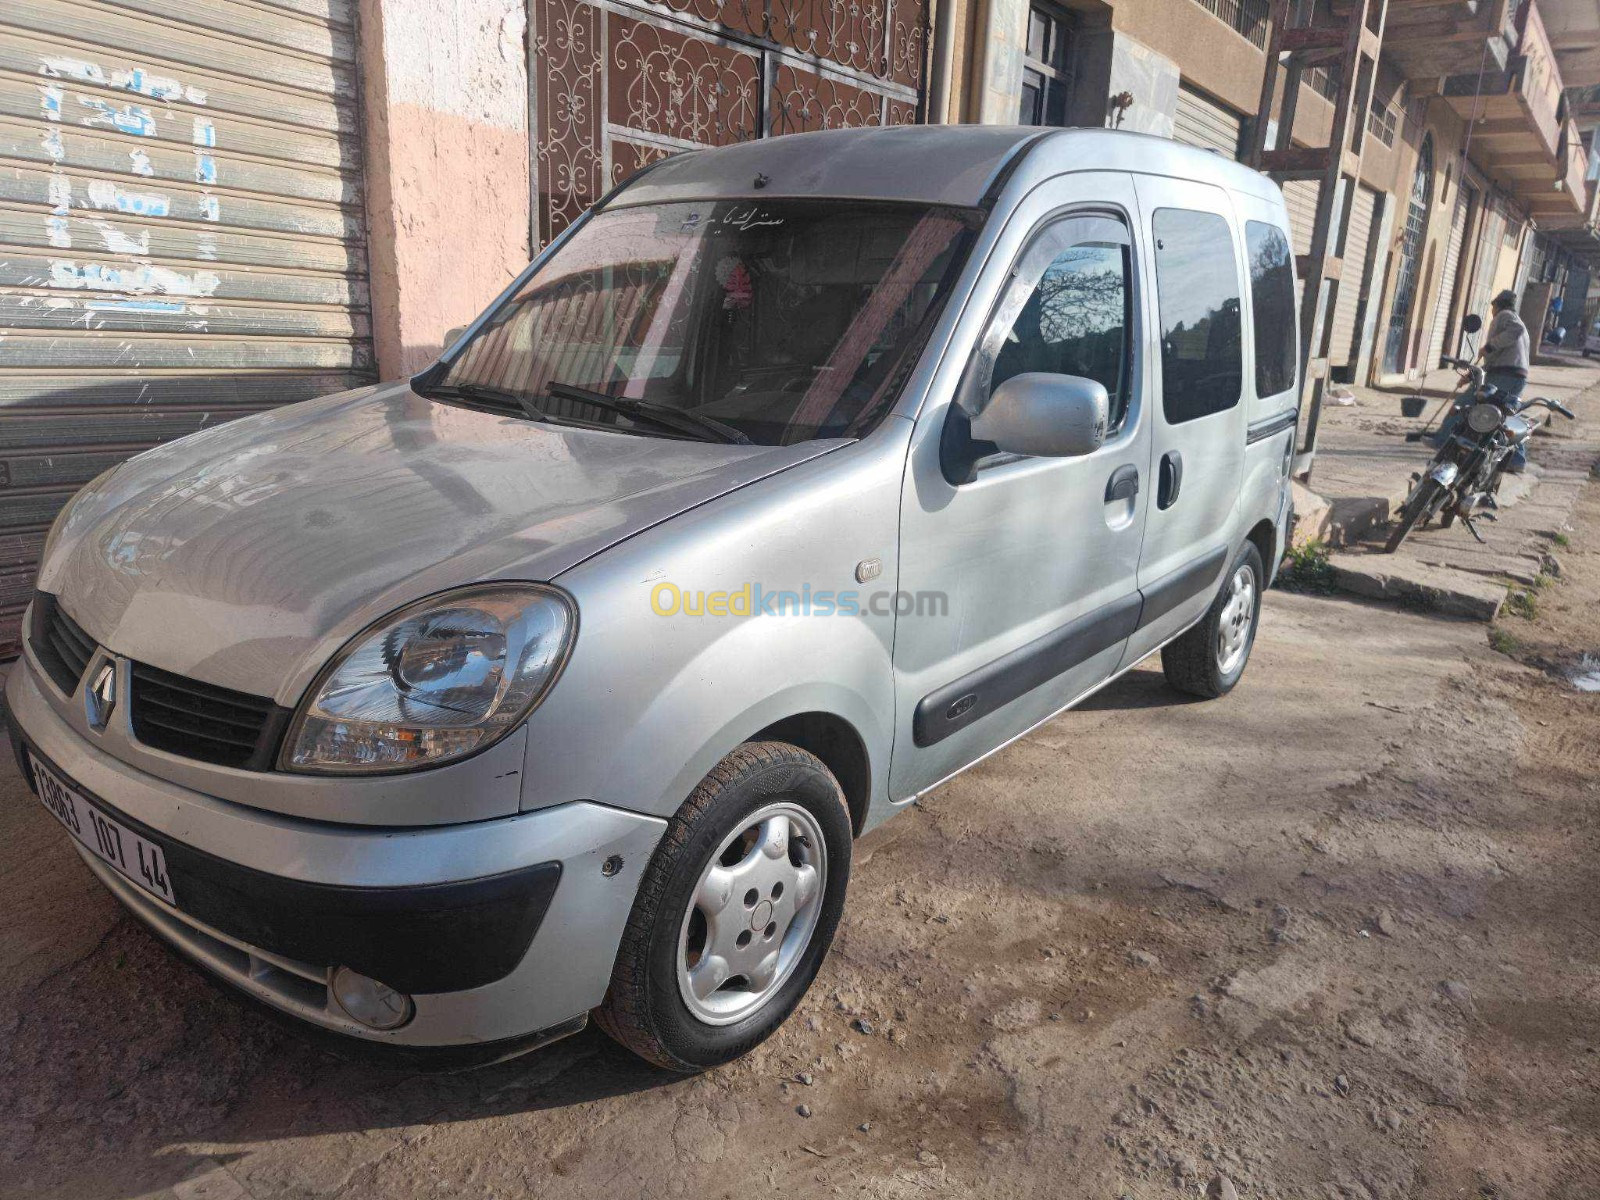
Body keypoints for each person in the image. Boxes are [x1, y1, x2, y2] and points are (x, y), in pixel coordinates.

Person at [1434, 289, 1531, 471]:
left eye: (1493, 306)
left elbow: (1514, 332)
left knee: (1465, 403)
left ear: (1497, 305)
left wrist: (1489, 346)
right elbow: (1494, 360)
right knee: (1505, 416)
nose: (1492, 310)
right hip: (1513, 375)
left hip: (1504, 375)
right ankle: (1517, 460)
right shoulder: (1512, 320)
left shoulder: (1505, 316)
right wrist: (1471, 376)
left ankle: (1442, 440)